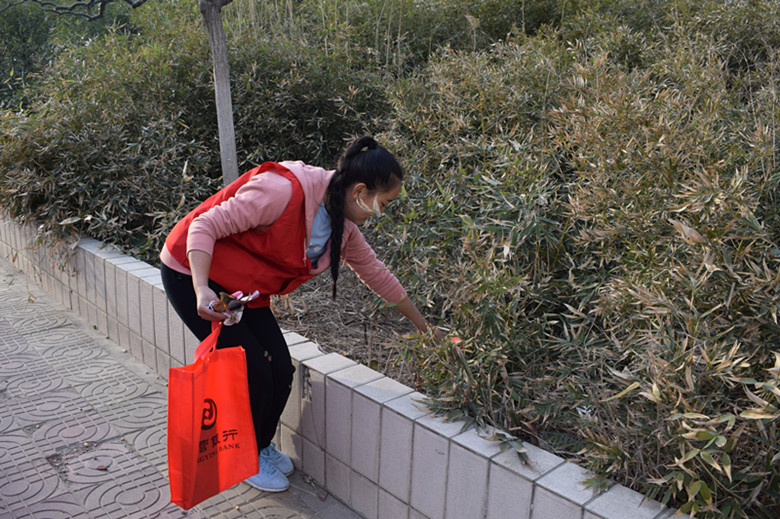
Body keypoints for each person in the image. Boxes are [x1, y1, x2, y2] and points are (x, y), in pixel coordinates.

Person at [160, 136, 438, 492]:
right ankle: (246, 457)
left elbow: (377, 274)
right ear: (360, 191)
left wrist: (424, 327)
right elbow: (204, 226)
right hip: (191, 272)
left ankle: (260, 445)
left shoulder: (342, 228)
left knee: (280, 367)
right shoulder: (282, 191)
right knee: (254, 369)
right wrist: (201, 288)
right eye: (383, 204)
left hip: (241, 288)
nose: (380, 214)